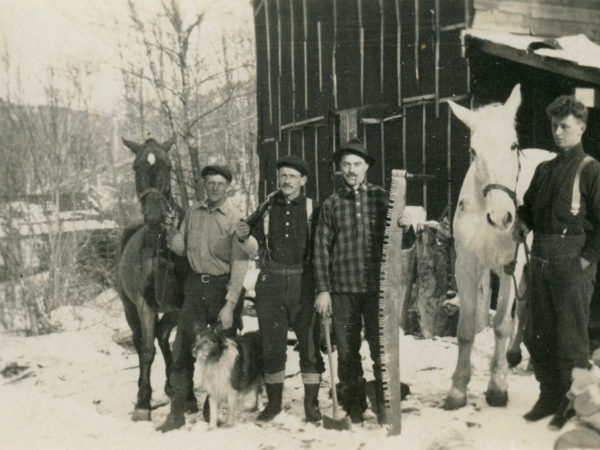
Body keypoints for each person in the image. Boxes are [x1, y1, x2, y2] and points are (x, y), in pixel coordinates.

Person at [313, 138, 412, 424]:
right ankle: (354, 408)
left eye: (357, 164)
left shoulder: (383, 198)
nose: (351, 170)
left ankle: (385, 407)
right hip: (343, 291)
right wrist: (323, 290)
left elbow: (400, 242)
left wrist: (405, 226)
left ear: (367, 166)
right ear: (340, 169)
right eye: (346, 164)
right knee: (347, 353)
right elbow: (320, 251)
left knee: (381, 349)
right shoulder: (331, 205)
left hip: (376, 290)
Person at [516, 95, 600, 430]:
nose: (558, 132)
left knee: (571, 340)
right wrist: (522, 220)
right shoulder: (544, 169)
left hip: (572, 263)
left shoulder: (591, 170)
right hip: (540, 261)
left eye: (564, 126)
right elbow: (529, 209)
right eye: (554, 126)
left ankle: (574, 403)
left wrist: (585, 261)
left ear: (581, 127)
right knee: (538, 334)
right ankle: (549, 395)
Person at [157, 165, 258, 432]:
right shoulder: (193, 212)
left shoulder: (235, 218)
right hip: (194, 289)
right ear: (204, 185)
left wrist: (230, 304)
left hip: (220, 290)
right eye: (209, 183)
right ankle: (177, 411)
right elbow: (181, 249)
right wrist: (171, 232)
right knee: (182, 349)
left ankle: (210, 408)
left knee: (223, 353)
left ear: (227, 187)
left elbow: (240, 262)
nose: (214, 187)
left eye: (219, 183)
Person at [251, 155, 325, 423]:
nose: (286, 181)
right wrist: (241, 236)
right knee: (272, 346)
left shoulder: (312, 208)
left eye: (292, 176)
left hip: (302, 284)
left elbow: (322, 249)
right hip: (270, 284)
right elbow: (252, 243)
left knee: (309, 345)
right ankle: (274, 403)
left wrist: (322, 288)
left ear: (303, 181)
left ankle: (311, 404)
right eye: (282, 176)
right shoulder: (267, 208)